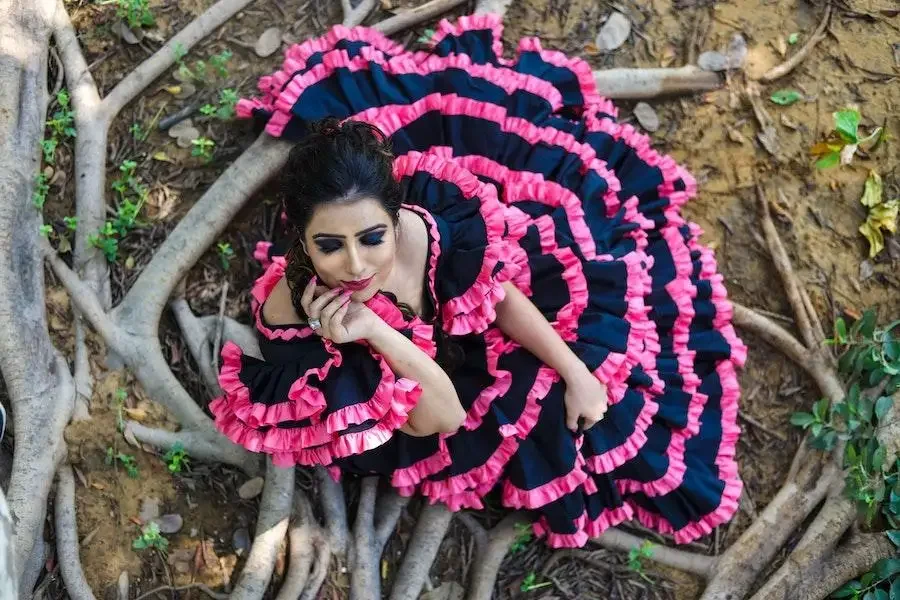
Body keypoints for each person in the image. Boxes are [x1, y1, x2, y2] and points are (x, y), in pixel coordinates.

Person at [210, 14, 747, 546]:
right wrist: (373, 329)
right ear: (301, 240)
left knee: (602, 363)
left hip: (457, 344)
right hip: (415, 410)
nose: (355, 266)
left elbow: (499, 295)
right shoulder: (295, 319)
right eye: (329, 245)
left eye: (372, 238)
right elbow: (442, 417)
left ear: (396, 218)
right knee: (549, 428)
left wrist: (575, 370)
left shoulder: (422, 228)